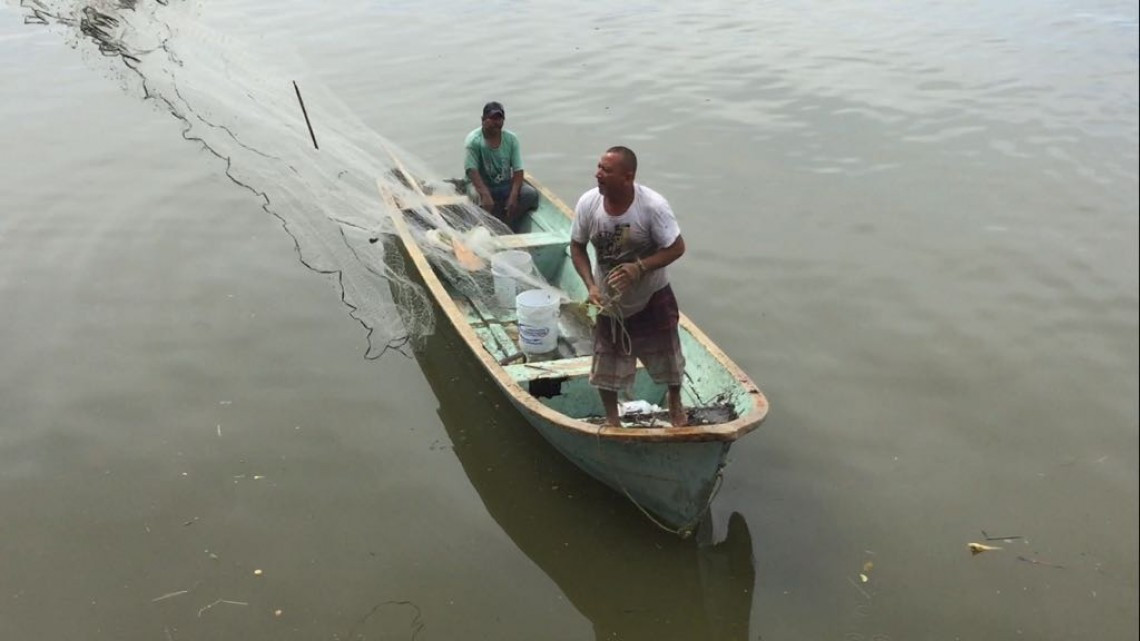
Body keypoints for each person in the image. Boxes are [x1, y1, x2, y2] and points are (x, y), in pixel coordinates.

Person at [570, 146, 688, 428]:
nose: (598, 174)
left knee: (669, 357)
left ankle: (674, 402)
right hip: (610, 301)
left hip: (651, 295)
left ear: (627, 177)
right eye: (599, 167)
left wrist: (639, 268)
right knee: (606, 366)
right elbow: (577, 246)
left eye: (606, 170)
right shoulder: (588, 204)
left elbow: (677, 248)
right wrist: (591, 285)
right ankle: (612, 420)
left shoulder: (652, 207)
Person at [464, 101, 538, 230]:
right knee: (477, 197)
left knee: (530, 194)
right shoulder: (474, 140)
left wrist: (513, 196)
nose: (496, 122)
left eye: (499, 119)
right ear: (483, 120)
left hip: (504, 185)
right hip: (481, 185)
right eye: (492, 119)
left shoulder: (511, 139)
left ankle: (506, 223)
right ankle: (482, 226)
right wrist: (485, 194)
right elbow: (471, 170)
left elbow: (518, 170)